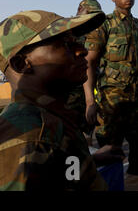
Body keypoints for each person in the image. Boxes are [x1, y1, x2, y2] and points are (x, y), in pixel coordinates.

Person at [0, 10, 124, 191]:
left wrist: (88, 161)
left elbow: (59, 175)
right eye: (65, 44)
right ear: (21, 63)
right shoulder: (31, 138)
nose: (82, 50)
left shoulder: (51, 117)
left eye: (77, 42)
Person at [83, 0, 138, 176]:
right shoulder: (104, 25)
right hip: (112, 101)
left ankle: (135, 183)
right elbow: (89, 63)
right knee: (110, 152)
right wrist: (90, 100)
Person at [66, 0, 103, 133]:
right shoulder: (66, 33)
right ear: (80, 11)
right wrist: (90, 101)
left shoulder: (93, 35)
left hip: (87, 93)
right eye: (90, 13)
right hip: (69, 97)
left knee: (87, 132)